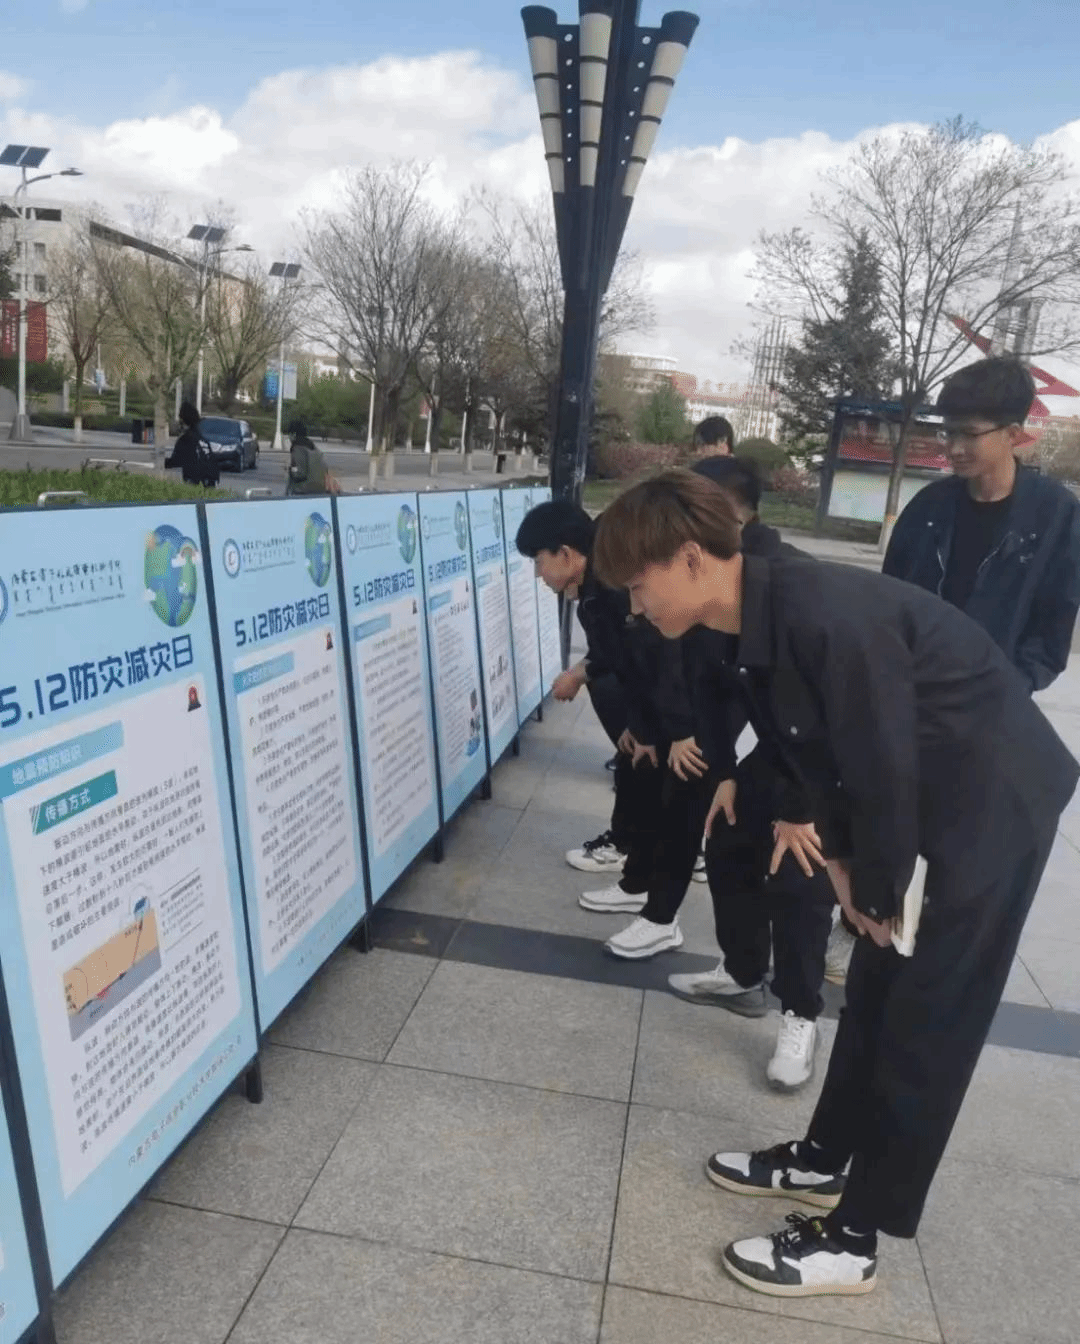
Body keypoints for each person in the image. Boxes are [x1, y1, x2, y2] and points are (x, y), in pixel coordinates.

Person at [593, 468, 1077, 1300]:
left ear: (692, 559)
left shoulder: (818, 614)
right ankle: (824, 1161)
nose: (634, 607)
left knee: (926, 1015)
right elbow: (812, 749)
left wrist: (878, 891)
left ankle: (856, 1241)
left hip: (989, 802)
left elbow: (881, 760)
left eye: (638, 586)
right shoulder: (753, 613)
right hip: (925, 794)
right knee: (875, 995)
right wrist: (848, 868)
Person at [668, 454, 836, 1090]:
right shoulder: (699, 575)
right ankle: (742, 976)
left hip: (826, 755)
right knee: (729, 841)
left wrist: (798, 809)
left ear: (731, 513)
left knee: (797, 872)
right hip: (775, 744)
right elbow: (706, 687)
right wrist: (726, 772)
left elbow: (824, 714)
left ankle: (801, 1013)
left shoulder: (790, 581)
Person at [516, 499, 710, 959]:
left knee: (674, 808)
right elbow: (626, 660)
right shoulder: (595, 586)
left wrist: (674, 731)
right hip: (658, 707)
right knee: (637, 779)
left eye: (539, 562)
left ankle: (661, 921)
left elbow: (663, 655)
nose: (538, 575)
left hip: (692, 709)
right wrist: (638, 728)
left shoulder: (618, 586)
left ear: (567, 554)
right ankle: (637, 885)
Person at [884, 356, 1080, 692]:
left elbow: (1053, 627)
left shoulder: (1056, 515)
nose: (954, 448)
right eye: (949, 433)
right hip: (912, 691)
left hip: (994, 702)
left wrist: (1010, 688)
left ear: (1012, 434)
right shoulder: (928, 507)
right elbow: (887, 601)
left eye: (970, 434)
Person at [165, 402, 219, 488]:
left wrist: (161, 462)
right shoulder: (202, 439)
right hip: (210, 479)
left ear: (183, 420)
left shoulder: (186, 439)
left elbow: (176, 461)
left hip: (194, 480)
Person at [286, 420, 339, 496]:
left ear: (294, 434)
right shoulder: (314, 448)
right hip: (321, 488)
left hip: (305, 490)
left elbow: (299, 473)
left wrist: (291, 469)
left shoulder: (298, 448)